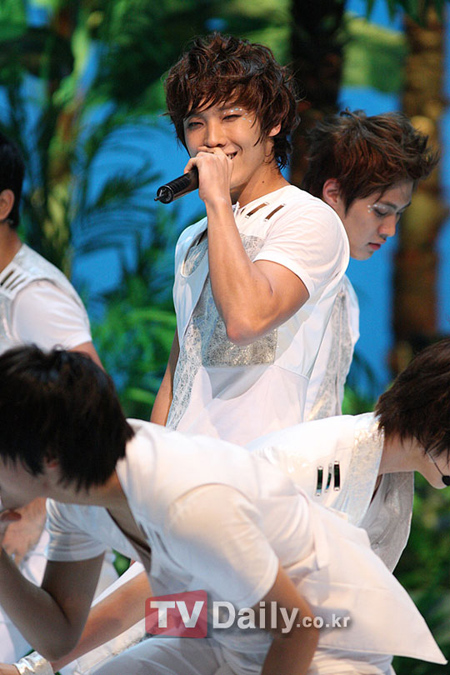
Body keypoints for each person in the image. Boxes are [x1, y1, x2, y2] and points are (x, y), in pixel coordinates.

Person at [0, 345, 446, 675]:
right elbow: (59, 636)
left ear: (49, 458)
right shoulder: (75, 504)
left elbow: (297, 628)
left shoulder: (186, 500)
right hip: (229, 633)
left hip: (323, 648)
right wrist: (31, 667)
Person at [150, 33, 349, 443]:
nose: (212, 138)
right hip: (180, 467)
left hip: (252, 469)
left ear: (274, 121)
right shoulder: (193, 238)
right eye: (195, 123)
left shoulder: (308, 218)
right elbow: (177, 371)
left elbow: (246, 320)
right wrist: (147, 464)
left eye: (231, 117)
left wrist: (217, 201)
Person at [0, 131, 117, 664]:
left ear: (4, 204)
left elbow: (90, 411)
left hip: (42, 543)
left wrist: (33, 512)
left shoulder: (31, 294)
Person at [301, 110, 438, 420]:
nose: (390, 230)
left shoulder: (343, 293)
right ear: (333, 193)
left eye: (398, 214)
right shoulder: (281, 272)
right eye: (381, 211)